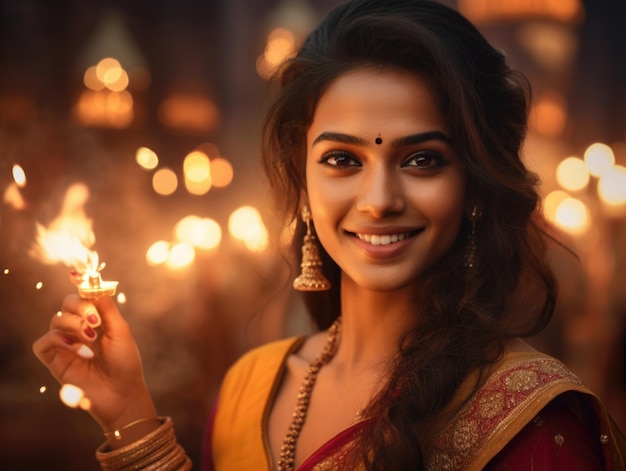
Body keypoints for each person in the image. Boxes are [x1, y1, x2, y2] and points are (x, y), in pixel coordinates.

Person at [33, 0, 626, 469]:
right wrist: (129, 411)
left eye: (422, 160)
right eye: (342, 160)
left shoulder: (528, 420)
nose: (378, 200)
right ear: (302, 178)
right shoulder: (251, 386)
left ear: (473, 184)